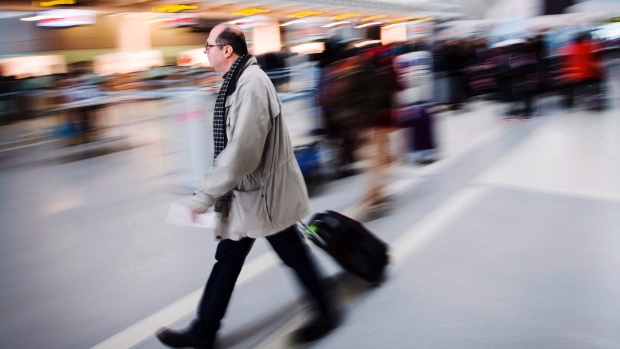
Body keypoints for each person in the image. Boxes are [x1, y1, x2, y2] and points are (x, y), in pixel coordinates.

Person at [155, 23, 338, 349]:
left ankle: (326, 309)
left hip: (264, 195)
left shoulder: (250, 86)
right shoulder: (238, 81)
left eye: (209, 45)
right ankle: (203, 330)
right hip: (247, 195)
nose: (206, 51)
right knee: (229, 258)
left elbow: (241, 153)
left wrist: (203, 198)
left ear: (227, 50)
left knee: (291, 253)